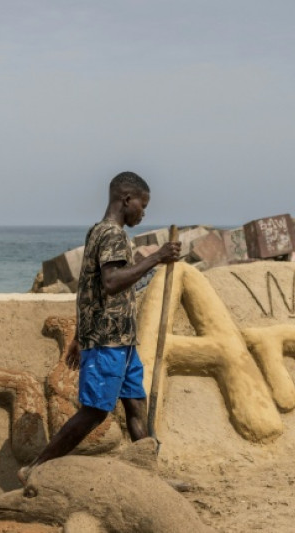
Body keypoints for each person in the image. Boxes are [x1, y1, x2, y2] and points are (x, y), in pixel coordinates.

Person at [18, 171, 181, 484]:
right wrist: (158, 256)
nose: (144, 213)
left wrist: (80, 335)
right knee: (95, 411)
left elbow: (86, 288)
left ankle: (150, 475)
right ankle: (35, 468)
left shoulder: (96, 232)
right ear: (126, 199)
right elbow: (110, 282)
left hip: (121, 339)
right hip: (108, 340)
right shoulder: (112, 235)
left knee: (135, 403)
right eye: (142, 205)